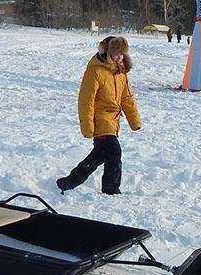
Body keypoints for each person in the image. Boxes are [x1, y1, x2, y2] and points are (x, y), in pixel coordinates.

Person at [57, 36, 142, 195]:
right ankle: (111, 190)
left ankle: (68, 182)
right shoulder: (95, 71)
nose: (119, 57)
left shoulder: (121, 72)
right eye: (116, 53)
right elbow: (86, 100)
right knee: (114, 152)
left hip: (113, 121)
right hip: (100, 121)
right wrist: (87, 126)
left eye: (122, 54)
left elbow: (127, 98)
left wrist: (134, 120)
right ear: (108, 52)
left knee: (99, 156)